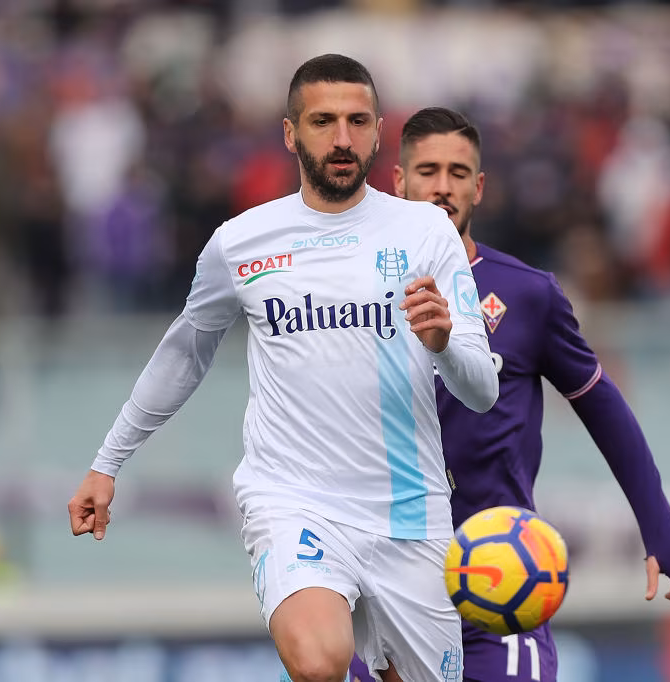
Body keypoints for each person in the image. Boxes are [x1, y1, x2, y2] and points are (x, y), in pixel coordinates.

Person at [67, 56, 498, 682]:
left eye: (357, 122)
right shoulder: (241, 241)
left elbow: (482, 391)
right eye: (323, 122)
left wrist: (443, 344)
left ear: (379, 131)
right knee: (319, 661)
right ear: (291, 134)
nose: (342, 138)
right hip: (294, 501)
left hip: (411, 512)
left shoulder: (427, 230)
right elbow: (185, 353)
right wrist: (107, 461)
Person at [350, 107, 670, 682]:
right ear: (398, 181)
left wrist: (661, 529)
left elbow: (604, 409)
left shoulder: (527, 294)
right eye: (427, 171)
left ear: (479, 187)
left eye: (457, 172)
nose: (442, 187)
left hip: (500, 575)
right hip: (390, 581)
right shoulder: (352, 295)